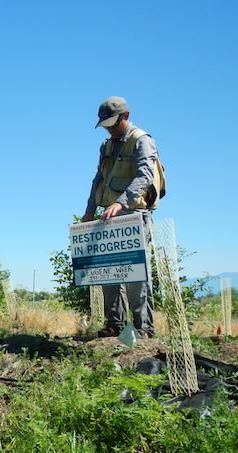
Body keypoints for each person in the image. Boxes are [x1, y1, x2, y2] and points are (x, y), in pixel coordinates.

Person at [81, 96, 161, 338]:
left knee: (136, 273)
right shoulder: (106, 146)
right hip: (107, 216)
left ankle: (143, 328)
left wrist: (120, 202)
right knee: (109, 271)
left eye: (113, 124)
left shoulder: (142, 140)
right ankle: (116, 324)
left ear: (125, 116)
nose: (110, 129)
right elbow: (98, 180)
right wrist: (89, 209)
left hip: (134, 214)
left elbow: (145, 175)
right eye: (106, 125)